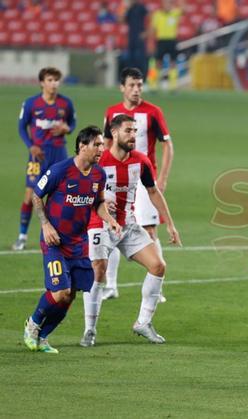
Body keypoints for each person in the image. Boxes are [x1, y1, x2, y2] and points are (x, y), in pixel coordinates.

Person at [81, 115, 181, 347]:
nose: (133, 135)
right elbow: (79, 189)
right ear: (114, 133)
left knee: (158, 266)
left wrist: (170, 224)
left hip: (128, 225)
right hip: (100, 224)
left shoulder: (141, 161)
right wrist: (101, 200)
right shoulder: (99, 159)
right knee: (98, 271)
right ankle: (90, 329)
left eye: (135, 131)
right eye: (128, 130)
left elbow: (153, 192)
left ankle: (143, 323)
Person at [22, 126, 121, 354]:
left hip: (78, 243)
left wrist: (110, 220)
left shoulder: (99, 174)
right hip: (54, 241)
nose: (101, 149)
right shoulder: (60, 170)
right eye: (96, 144)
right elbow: (37, 195)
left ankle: (44, 337)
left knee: (71, 295)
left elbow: (98, 203)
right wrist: (45, 224)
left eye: (102, 145)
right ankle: (33, 324)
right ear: (82, 146)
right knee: (60, 292)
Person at [101, 67, 174, 301]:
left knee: (150, 229)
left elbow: (167, 145)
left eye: (140, 85)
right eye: (132, 85)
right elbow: (104, 145)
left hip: (143, 178)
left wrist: (162, 177)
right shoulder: (112, 113)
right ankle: (111, 285)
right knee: (112, 226)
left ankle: (157, 286)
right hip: (115, 178)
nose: (136, 89)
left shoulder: (153, 112)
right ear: (122, 87)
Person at [13, 67, 76, 251]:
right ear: (42, 82)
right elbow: (21, 127)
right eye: (50, 80)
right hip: (37, 156)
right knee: (30, 196)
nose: (54, 84)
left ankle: (60, 235)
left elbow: (72, 123)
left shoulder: (66, 103)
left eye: (56, 80)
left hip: (59, 154)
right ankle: (22, 237)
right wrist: (30, 145)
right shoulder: (31, 103)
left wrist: (67, 129)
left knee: (61, 197)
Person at [149, 0, 183, 91]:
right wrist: (151, 42)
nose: (167, 5)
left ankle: (173, 86)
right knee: (157, 63)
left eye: (169, 3)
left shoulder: (175, 13)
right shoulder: (157, 14)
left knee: (173, 63)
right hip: (161, 40)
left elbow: (184, 8)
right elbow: (153, 29)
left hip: (172, 40)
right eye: (165, 3)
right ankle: (153, 85)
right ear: (162, 4)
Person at [124, 0, 149, 76]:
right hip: (131, 37)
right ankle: (132, 77)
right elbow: (122, 20)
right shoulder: (129, 9)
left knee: (141, 59)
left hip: (140, 38)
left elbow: (149, 19)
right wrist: (126, 8)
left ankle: (143, 79)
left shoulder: (141, 7)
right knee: (131, 59)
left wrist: (146, 32)